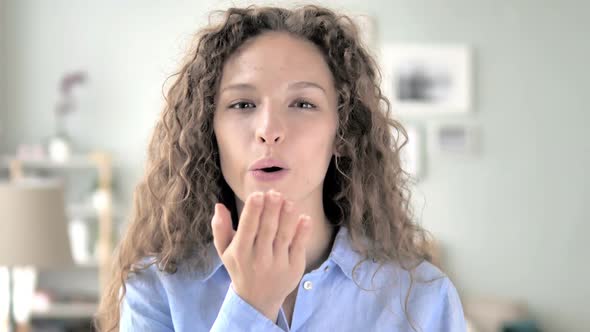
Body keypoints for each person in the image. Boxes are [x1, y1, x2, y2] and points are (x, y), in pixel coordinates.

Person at [95, 5, 466, 332]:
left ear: (342, 132)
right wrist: (250, 304)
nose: (269, 130)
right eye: (242, 104)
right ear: (210, 130)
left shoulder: (423, 297)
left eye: (303, 104)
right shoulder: (155, 290)